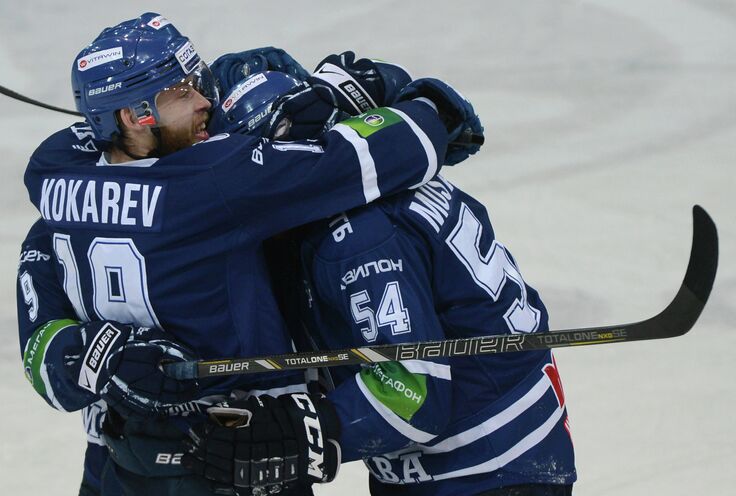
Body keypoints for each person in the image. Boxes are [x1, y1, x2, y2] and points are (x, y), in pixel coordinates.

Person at [16, 12, 482, 496]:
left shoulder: (55, 185)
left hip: (117, 465)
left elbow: (42, 355)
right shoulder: (217, 183)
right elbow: (386, 154)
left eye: (197, 82)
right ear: (134, 117)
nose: (203, 102)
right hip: (241, 458)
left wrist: (98, 359)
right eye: (180, 92)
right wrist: (417, 104)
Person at [180, 73, 577, 495]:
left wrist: (306, 433)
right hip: (494, 451)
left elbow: (412, 392)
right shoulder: (379, 180)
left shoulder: (354, 238)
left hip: (480, 471)